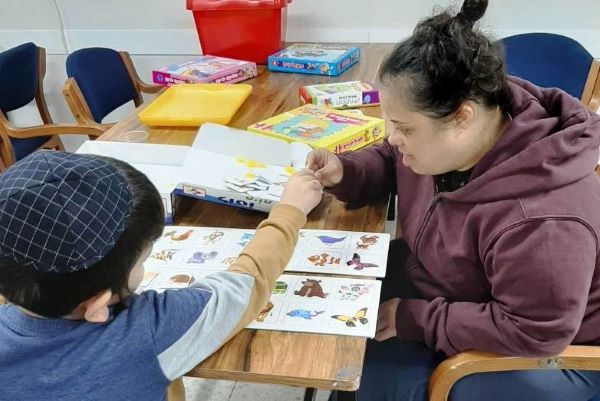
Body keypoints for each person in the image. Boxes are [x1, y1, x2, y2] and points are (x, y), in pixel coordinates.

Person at [307, 1, 600, 400]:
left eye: (405, 128)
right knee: (334, 300)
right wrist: (347, 171)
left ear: (461, 118)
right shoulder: (473, 122)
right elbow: (394, 158)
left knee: (380, 376)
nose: (394, 137)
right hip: (458, 286)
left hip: (552, 349)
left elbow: (536, 330)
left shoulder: (543, 220)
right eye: (391, 123)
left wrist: (418, 319)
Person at [0, 151, 323, 401]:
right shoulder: (148, 329)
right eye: (142, 260)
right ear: (97, 306)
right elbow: (247, 282)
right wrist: (290, 210)